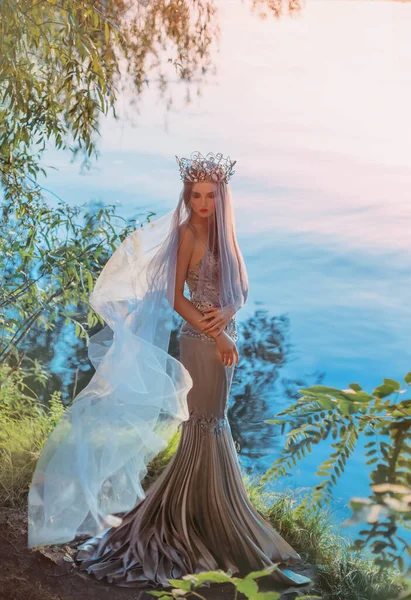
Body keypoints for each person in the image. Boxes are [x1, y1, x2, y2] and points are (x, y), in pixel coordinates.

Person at [27, 151, 310, 590]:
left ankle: (209, 514)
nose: (202, 203)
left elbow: (243, 285)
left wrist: (231, 311)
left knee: (212, 426)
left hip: (223, 340)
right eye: (195, 195)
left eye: (210, 195)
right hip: (202, 344)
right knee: (206, 425)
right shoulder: (186, 236)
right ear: (186, 196)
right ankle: (203, 526)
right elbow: (175, 298)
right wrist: (216, 334)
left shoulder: (223, 233)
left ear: (222, 198)